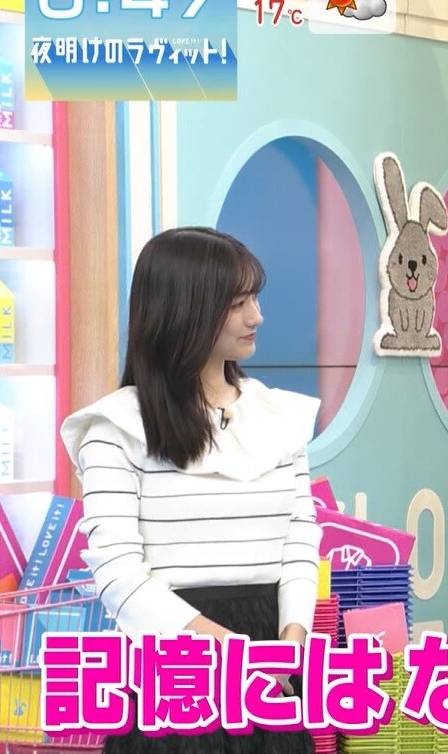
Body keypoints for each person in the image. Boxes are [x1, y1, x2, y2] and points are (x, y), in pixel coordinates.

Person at [61, 227, 321, 754]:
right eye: (237, 304)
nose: (257, 317)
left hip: (271, 668)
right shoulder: (115, 427)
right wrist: (223, 648)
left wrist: (291, 642)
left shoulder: (278, 417)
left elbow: (299, 539)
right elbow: (117, 574)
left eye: (255, 299)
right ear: (185, 310)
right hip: (173, 662)